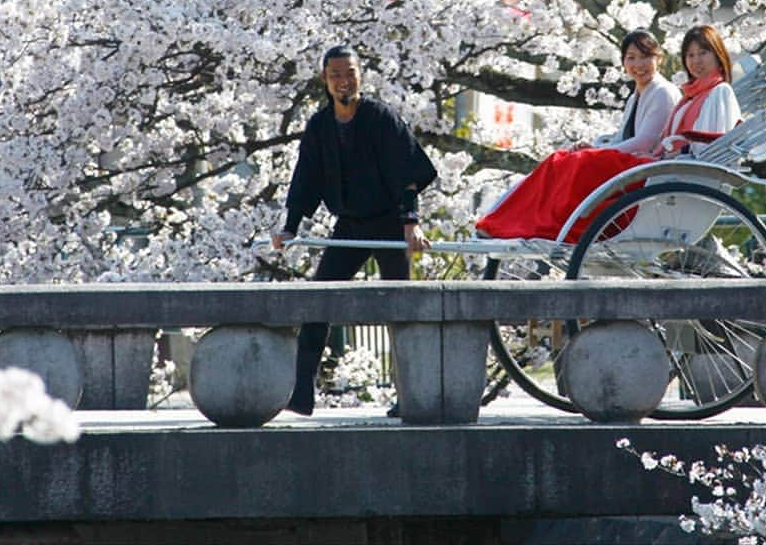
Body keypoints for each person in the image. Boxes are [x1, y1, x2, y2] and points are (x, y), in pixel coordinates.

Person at [271, 44, 436, 416]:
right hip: (349, 225)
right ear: (325, 80)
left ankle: (410, 396)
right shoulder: (319, 126)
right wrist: (290, 226)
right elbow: (306, 179)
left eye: (349, 73)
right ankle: (300, 394)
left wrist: (411, 222)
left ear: (360, 75)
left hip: (391, 222)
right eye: (335, 75)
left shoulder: (380, 117)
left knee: (402, 307)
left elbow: (406, 172)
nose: (343, 82)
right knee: (319, 299)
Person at [474, 30, 681, 243]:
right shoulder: (638, 94)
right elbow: (621, 137)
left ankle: (542, 224)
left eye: (646, 56)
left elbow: (645, 141)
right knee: (558, 160)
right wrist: (593, 146)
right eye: (631, 58)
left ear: (659, 58)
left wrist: (599, 153)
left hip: (644, 168)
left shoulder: (662, 92)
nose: (639, 64)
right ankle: (510, 222)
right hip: (630, 162)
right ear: (623, 62)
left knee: (578, 163)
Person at [659, 24, 741, 156]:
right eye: (690, 55)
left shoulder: (721, 92)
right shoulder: (689, 97)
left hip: (695, 171)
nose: (696, 61)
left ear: (718, 55)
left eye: (703, 53)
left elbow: (718, 143)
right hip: (674, 167)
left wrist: (680, 152)